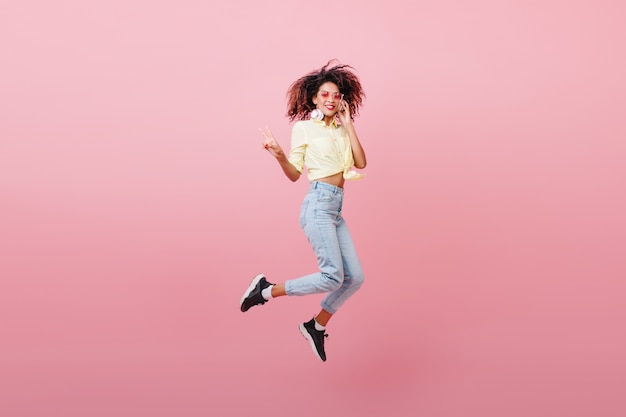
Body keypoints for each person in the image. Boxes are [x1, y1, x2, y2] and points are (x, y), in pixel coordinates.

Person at [240, 60, 367, 362]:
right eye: (325, 95)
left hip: (336, 208)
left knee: (356, 278)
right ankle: (266, 289)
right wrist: (280, 155)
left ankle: (316, 325)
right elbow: (295, 173)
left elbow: (361, 163)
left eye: (336, 95)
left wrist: (349, 124)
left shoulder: (340, 129)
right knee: (333, 276)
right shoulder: (304, 128)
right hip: (318, 205)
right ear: (314, 98)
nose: (331, 100)